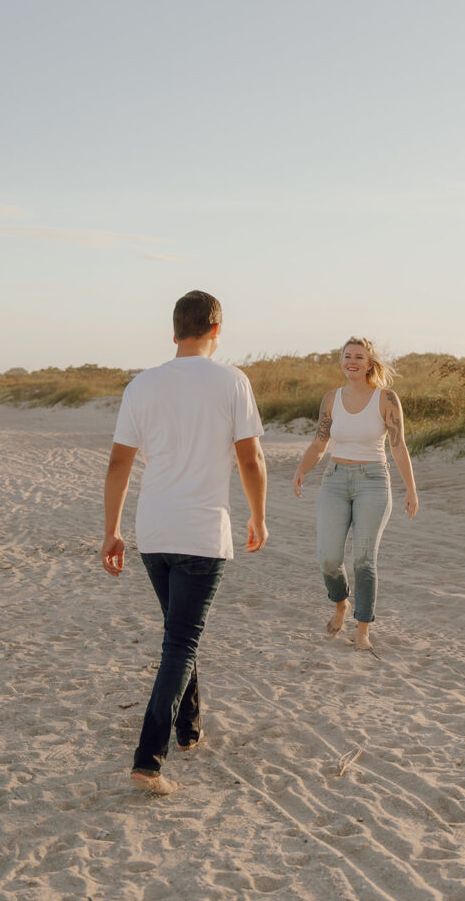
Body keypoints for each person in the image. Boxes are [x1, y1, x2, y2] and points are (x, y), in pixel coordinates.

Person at [100, 290, 267, 795]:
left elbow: (118, 464)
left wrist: (111, 529)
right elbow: (251, 459)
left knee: (179, 631)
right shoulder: (233, 381)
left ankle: (188, 729)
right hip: (201, 532)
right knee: (181, 641)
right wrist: (259, 516)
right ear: (218, 330)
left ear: (174, 332)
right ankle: (148, 760)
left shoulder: (142, 385)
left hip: (154, 530)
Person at [292, 337, 418, 651]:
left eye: (358, 357)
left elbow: (398, 445)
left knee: (364, 560)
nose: (352, 361)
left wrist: (411, 489)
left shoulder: (386, 398)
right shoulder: (331, 399)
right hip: (335, 480)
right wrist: (301, 470)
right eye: (347, 356)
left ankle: (363, 630)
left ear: (369, 363)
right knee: (328, 559)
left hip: (373, 481)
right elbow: (320, 442)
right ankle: (340, 604)